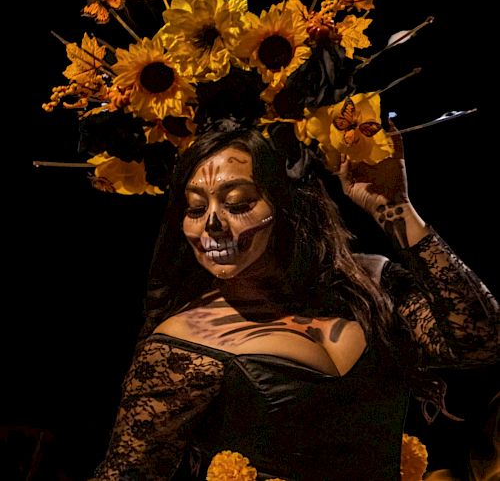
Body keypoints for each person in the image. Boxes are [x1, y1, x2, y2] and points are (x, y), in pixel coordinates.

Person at [89, 124, 499, 481]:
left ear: (288, 205)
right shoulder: (182, 343)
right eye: (195, 208)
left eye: (237, 202)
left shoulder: (371, 284)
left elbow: (480, 340)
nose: (210, 223)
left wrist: (396, 208)